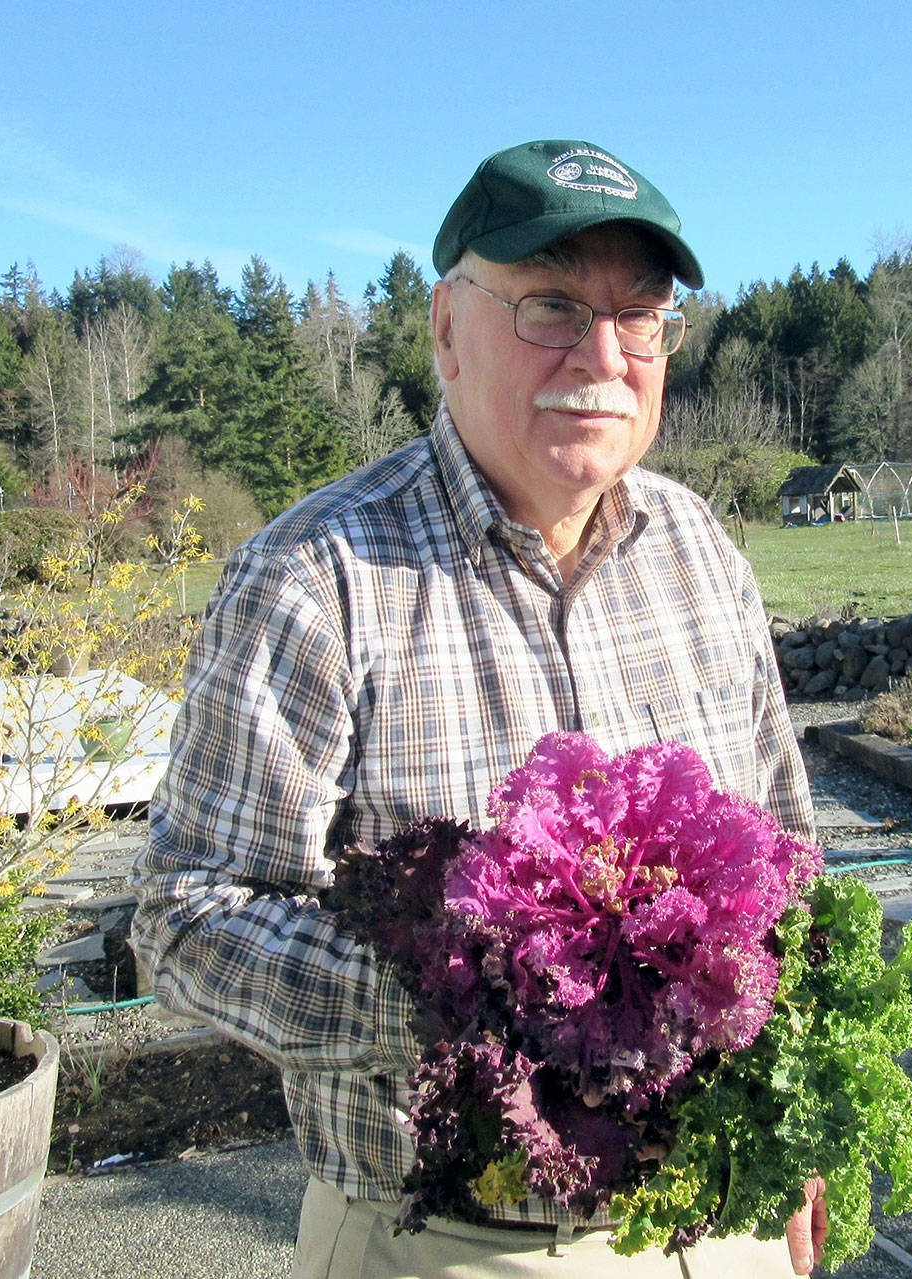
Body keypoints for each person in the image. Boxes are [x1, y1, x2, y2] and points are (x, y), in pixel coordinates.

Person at [132, 138, 826, 1278]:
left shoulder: (701, 551)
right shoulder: (317, 579)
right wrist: (469, 997)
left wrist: (787, 1118)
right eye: (550, 305)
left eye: (639, 315)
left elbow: (789, 861)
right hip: (448, 1244)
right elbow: (187, 913)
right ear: (445, 330)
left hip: (721, 1220)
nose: (602, 355)